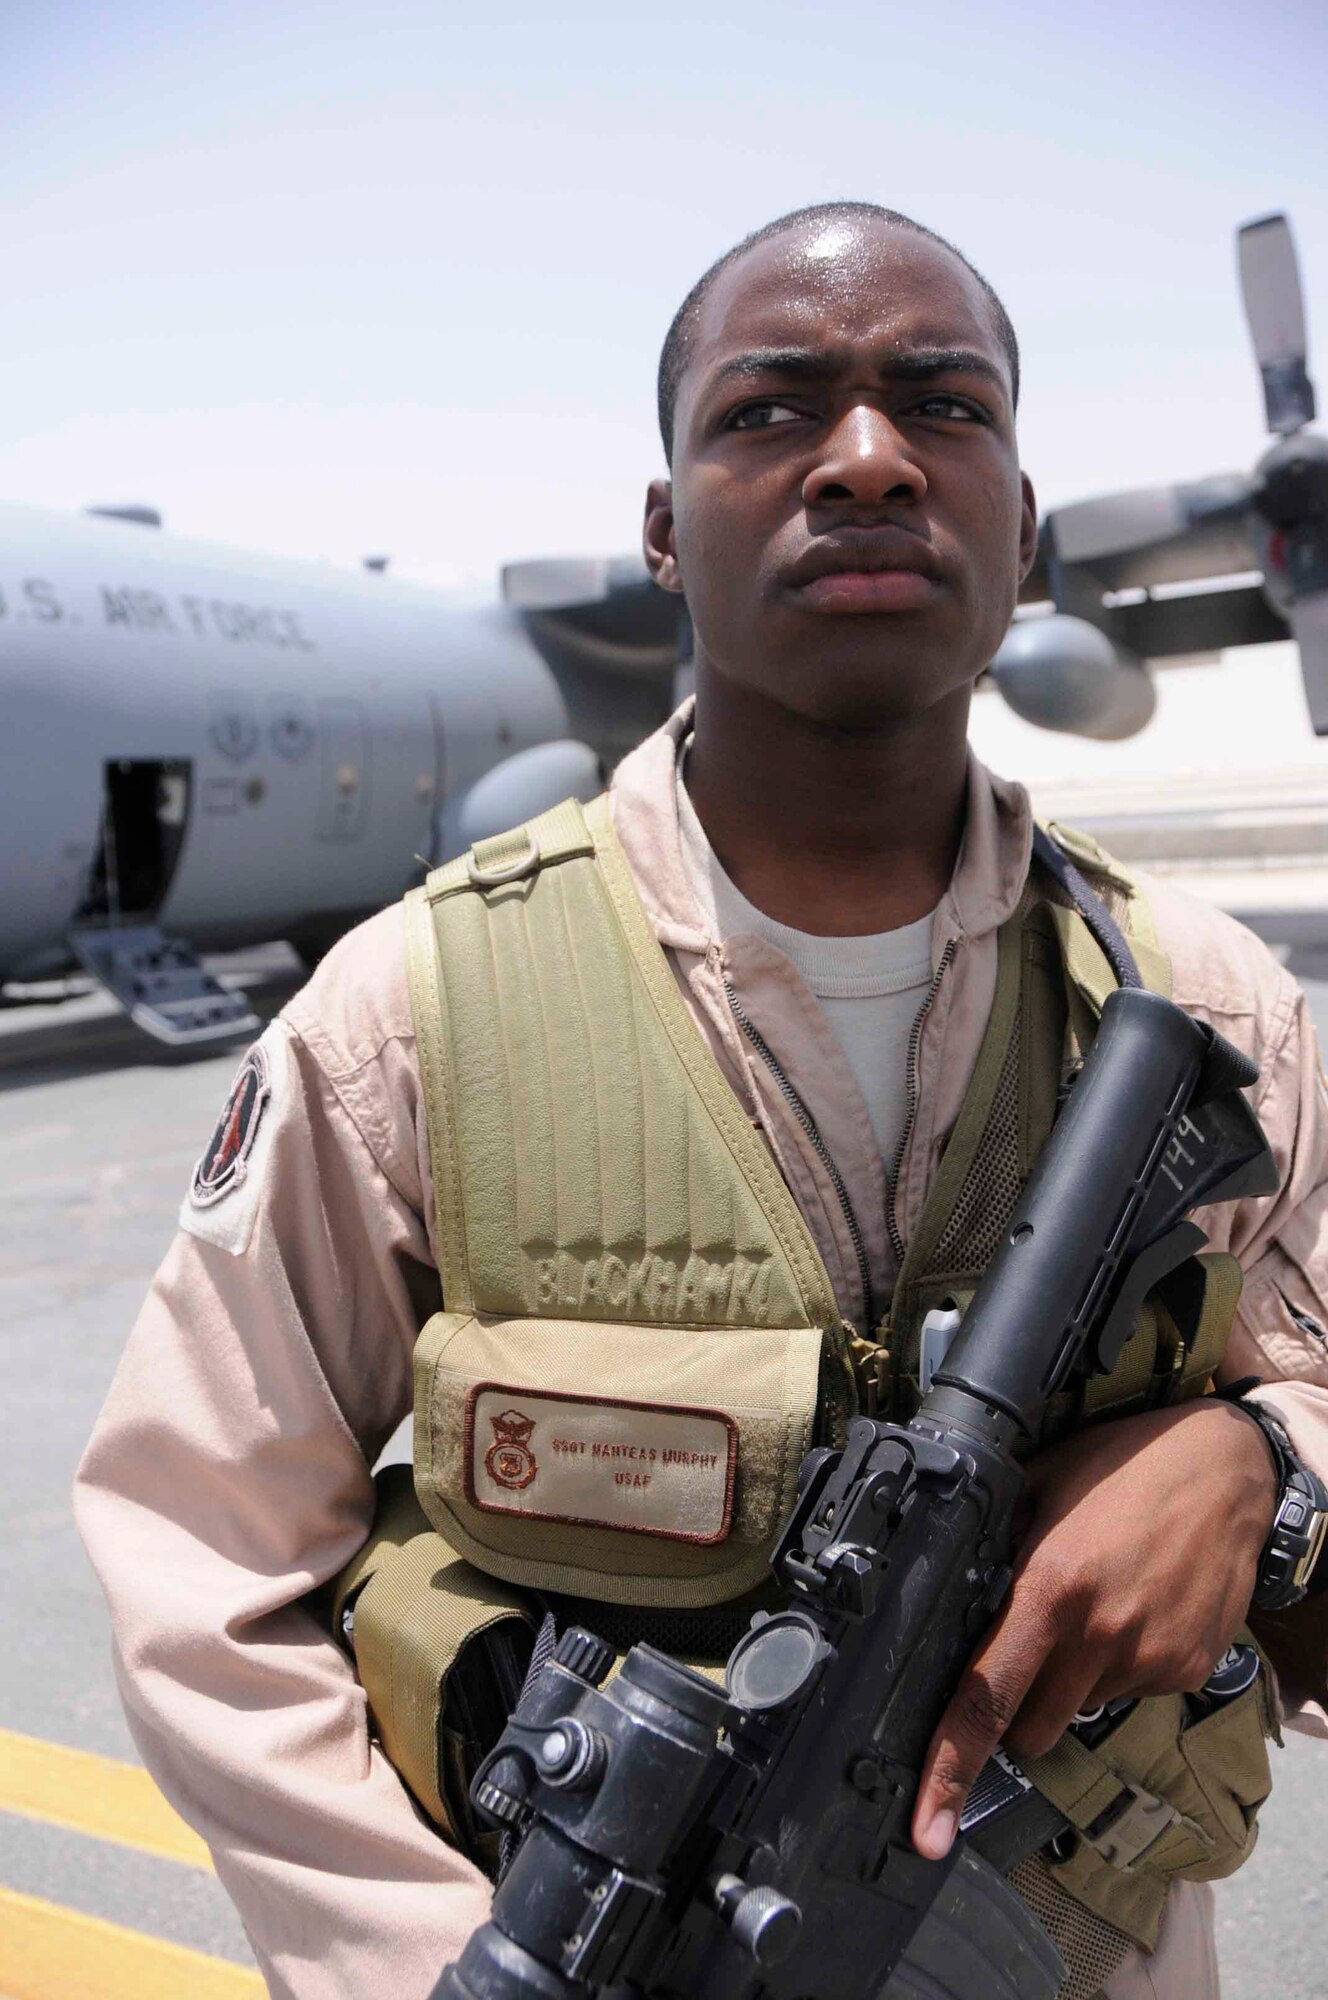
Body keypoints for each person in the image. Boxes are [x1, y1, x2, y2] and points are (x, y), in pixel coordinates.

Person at [76, 203, 1328, 2000]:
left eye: (945, 408)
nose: (871, 459)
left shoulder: (1211, 1007)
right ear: (662, 530)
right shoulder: (415, 1017)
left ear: (1024, 527)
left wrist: (1263, 1462)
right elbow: (198, 1554)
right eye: (769, 412)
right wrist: (449, 1967)